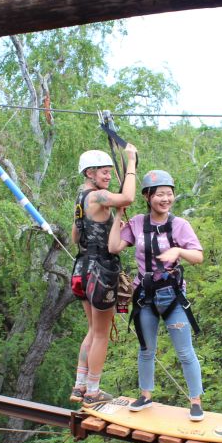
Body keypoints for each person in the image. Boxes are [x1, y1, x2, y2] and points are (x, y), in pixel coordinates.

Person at [108, 170, 206, 421]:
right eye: (160, 194)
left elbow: (198, 256)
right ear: (148, 197)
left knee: (185, 352)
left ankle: (195, 401)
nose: (166, 199)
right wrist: (118, 214)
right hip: (145, 296)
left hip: (171, 296)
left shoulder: (179, 225)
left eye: (169, 194)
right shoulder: (139, 223)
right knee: (146, 349)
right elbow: (114, 247)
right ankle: (145, 395)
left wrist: (178, 251)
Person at [70, 145, 137, 406]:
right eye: (105, 172)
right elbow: (128, 197)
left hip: (82, 267)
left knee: (93, 329)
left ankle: (80, 386)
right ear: (90, 172)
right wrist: (131, 162)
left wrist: (109, 222)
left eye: (111, 172)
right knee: (101, 334)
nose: (108, 177)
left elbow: (76, 235)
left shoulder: (80, 198)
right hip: (100, 269)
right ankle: (93, 390)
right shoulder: (97, 197)